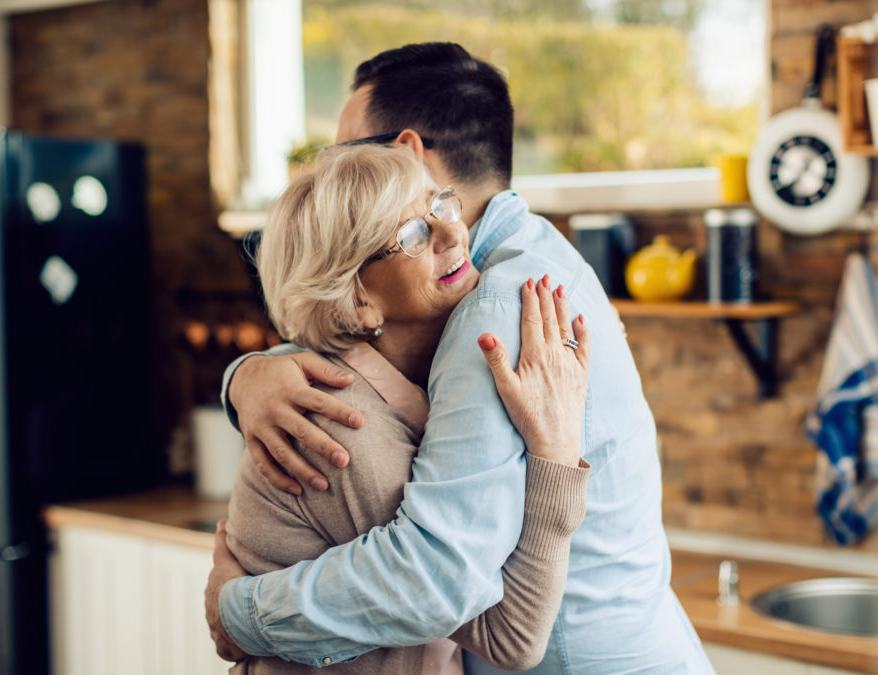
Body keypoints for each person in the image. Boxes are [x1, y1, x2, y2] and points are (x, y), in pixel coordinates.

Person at [208, 43, 712, 673]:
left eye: (345, 154)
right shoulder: (528, 256)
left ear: (404, 155)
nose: (334, 171)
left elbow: (439, 581)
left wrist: (239, 613)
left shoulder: (495, 305)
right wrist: (247, 373)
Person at [213, 142, 593, 674]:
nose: (452, 233)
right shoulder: (341, 422)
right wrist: (555, 449)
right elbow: (514, 635)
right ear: (357, 298)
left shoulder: (405, 389)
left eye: (439, 205)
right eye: (412, 235)